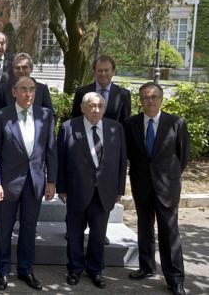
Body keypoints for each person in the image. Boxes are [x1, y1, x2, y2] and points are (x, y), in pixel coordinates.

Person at [0, 76, 57, 291]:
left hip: (35, 183)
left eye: (32, 89)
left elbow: (51, 151)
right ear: (14, 92)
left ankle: (26, 270)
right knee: (4, 230)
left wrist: (52, 181)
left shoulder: (45, 115)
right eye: (24, 89)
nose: (28, 93)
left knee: (29, 229)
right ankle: (2, 271)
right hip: (8, 184)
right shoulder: (1, 116)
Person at [124, 82, 190, 295]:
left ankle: (175, 278)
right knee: (144, 228)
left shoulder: (176, 123)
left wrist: (169, 177)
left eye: (153, 97)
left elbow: (183, 157)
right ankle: (146, 267)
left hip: (167, 187)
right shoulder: (131, 123)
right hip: (141, 185)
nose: (149, 100)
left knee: (169, 232)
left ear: (161, 99)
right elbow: (130, 154)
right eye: (145, 97)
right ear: (140, 100)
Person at [57, 92, 126, 289]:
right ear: (82, 107)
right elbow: (60, 160)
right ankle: (75, 269)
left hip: (104, 191)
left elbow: (122, 161)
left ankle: (95, 270)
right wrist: (61, 188)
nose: (96, 109)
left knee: (98, 235)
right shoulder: (69, 127)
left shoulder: (116, 128)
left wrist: (120, 188)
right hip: (76, 190)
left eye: (100, 106)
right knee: (75, 233)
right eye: (91, 105)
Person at [71, 55, 131, 123]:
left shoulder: (123, 94)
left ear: (113, 72)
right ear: (94, 72)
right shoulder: (81, 92)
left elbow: (125, 123)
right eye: (100, 70)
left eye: (106, 70)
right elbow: (75, 119)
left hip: (112, 133)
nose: (103, 74)